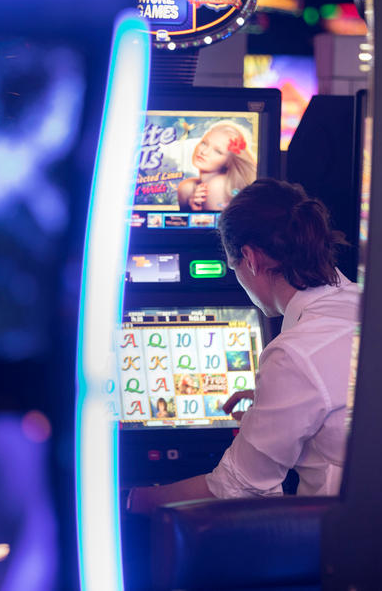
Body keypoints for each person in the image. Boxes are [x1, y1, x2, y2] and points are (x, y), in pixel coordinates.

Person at [127, 178, 359, 513]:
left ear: (249, 258)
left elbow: (240, 489)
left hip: (344, 542)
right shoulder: (362, 300)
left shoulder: (294, 354)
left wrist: (134, 500)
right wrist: (278, 400)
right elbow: (338, 392)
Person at [177, 121, 257, 212]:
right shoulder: (187, 187)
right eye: (204, 143)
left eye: (218, 151)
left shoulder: (217, 185)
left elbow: (219, 226)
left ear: (228, 161)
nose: (204, 152)